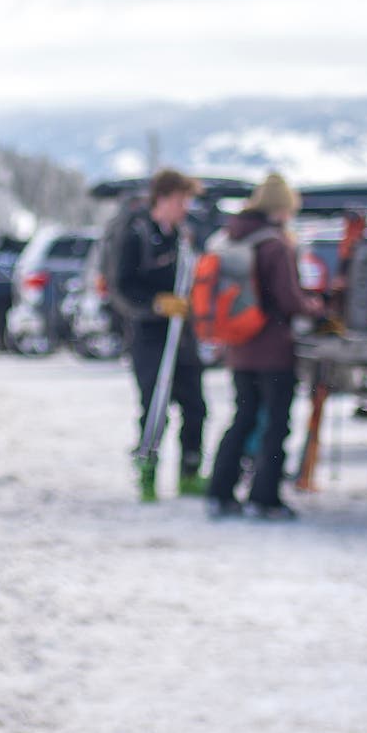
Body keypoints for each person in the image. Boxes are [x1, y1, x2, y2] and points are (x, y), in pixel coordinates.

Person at [204, 171, 322, 521]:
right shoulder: (275, 244)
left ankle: (221, 492)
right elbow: (288, 300)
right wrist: (316, 306)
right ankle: (265, 496)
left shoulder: (232, 236)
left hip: (239, 347)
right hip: (273, 349)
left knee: (242, 418)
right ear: (282, 208)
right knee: (275, 424)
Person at [109, 168, 208, 494]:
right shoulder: (137, 234)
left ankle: (190, 474)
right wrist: (154, 304)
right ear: (163, 199)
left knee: (195, 406)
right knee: (155, 406)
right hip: (149, 335)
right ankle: (147, 470)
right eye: (181, 201)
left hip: (182, 335)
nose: (185, 208)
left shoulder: (183, 237)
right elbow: (121, 286)